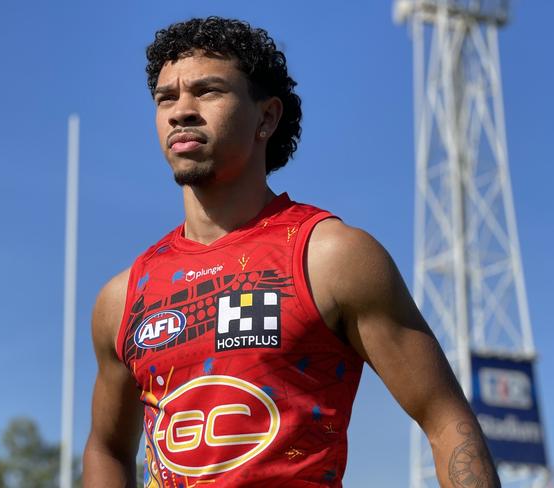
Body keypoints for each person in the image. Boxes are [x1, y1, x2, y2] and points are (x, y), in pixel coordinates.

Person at [82, 17, 500, 488]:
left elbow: (445, 420)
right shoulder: (123, 297)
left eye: (208, 91)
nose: (182, 111)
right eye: (166, 98)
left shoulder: (331, 257)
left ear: (267, 117)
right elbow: (108, 448)